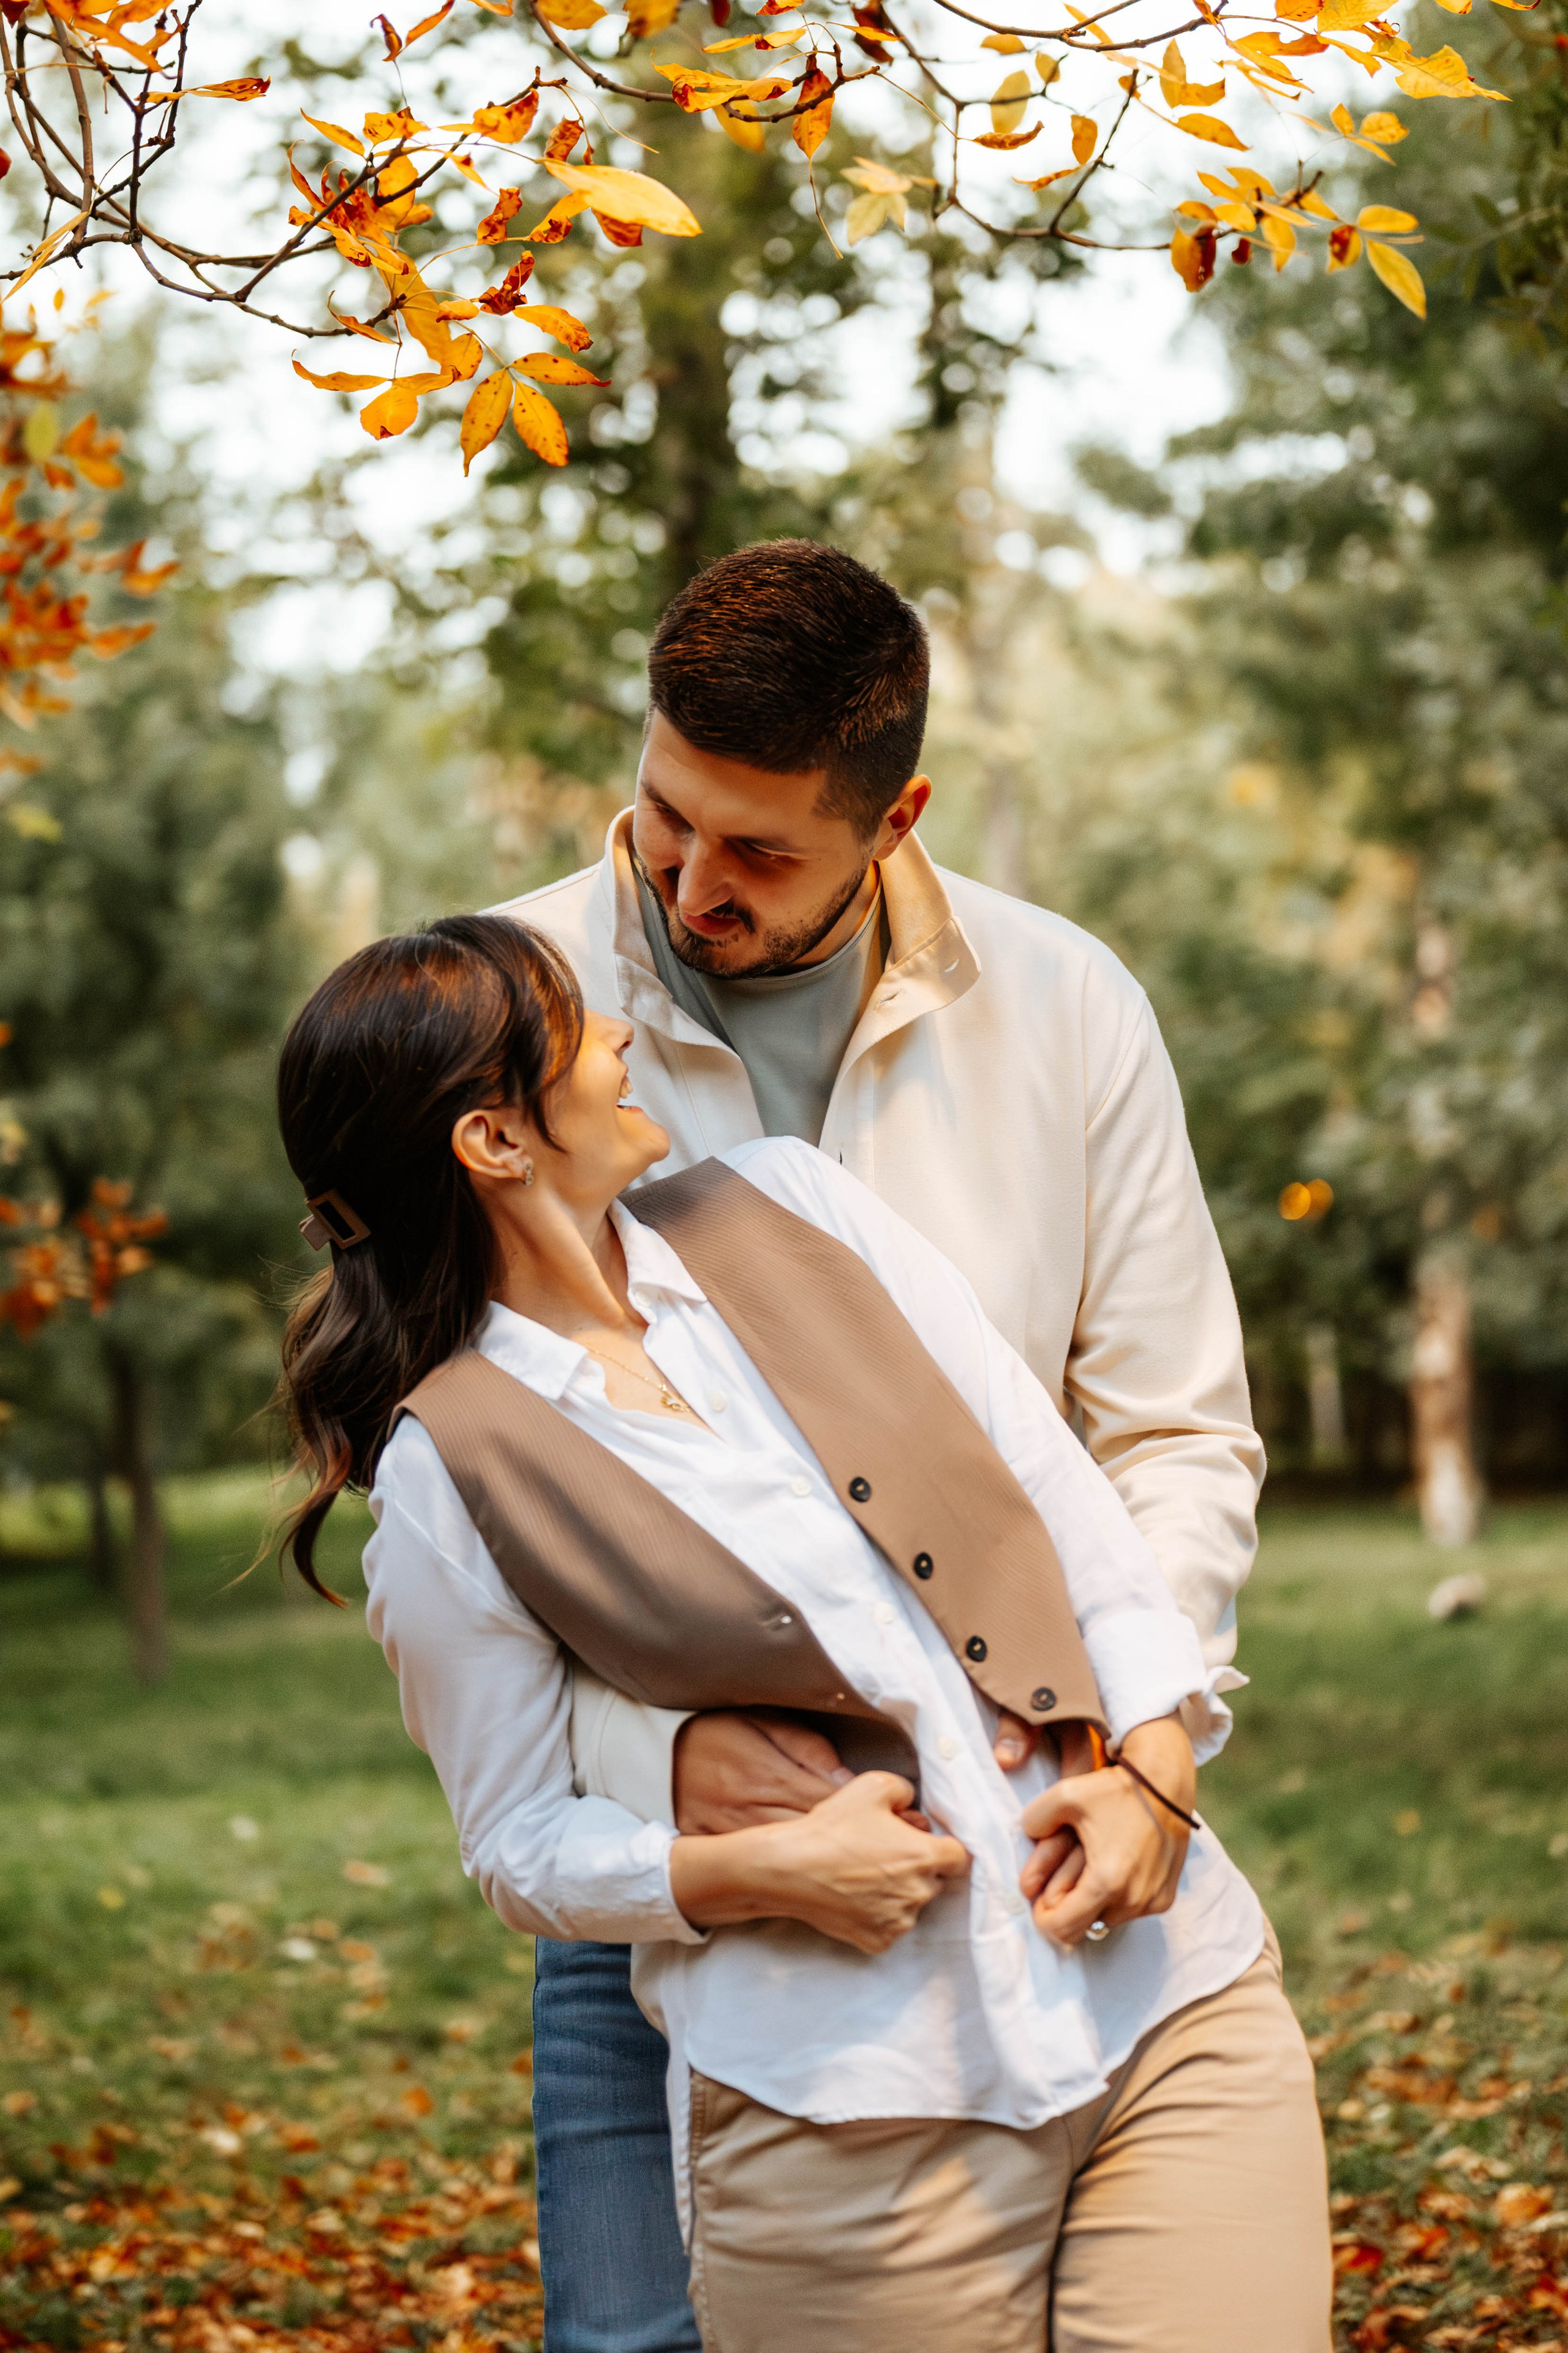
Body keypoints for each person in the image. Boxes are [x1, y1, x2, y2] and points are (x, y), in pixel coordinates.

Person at [274, 915, 1330, 2353]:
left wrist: (1153, 1756)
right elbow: (514, 1841)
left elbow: (1053, 1498)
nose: (618, 1037)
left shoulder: (794, 1203)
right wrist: (755, 1870)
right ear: (494, 1140)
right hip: (847, 2104)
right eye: (578, 1025)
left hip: (1165, 1992)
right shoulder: (444, 1475)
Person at [488, 540, 1267, 2353]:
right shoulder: (499, 1011)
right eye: (665, 815)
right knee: (633, 2338)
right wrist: (667, 1759)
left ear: (895, 815)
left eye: (758, 853)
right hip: (673, 1880)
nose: (688, 885)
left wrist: (1149, 1740)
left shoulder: (1066, 1006)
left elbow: (1169, 1427)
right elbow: (465, 1483)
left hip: (1046, 1818)